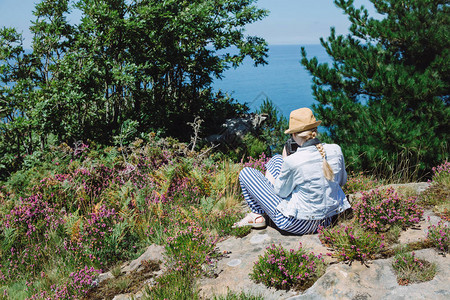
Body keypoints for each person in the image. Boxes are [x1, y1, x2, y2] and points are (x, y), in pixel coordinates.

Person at [233, 107, 350, 234]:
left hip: (297, 223)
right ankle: (258, 214)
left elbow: (281, 193)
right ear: (315, 130)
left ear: (293, 135)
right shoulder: (336, 149)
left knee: (246, 173)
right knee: (276, 159)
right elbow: (342, 181)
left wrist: (286, 161)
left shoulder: (293, 161)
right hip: (328, 219)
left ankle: (257, 215)